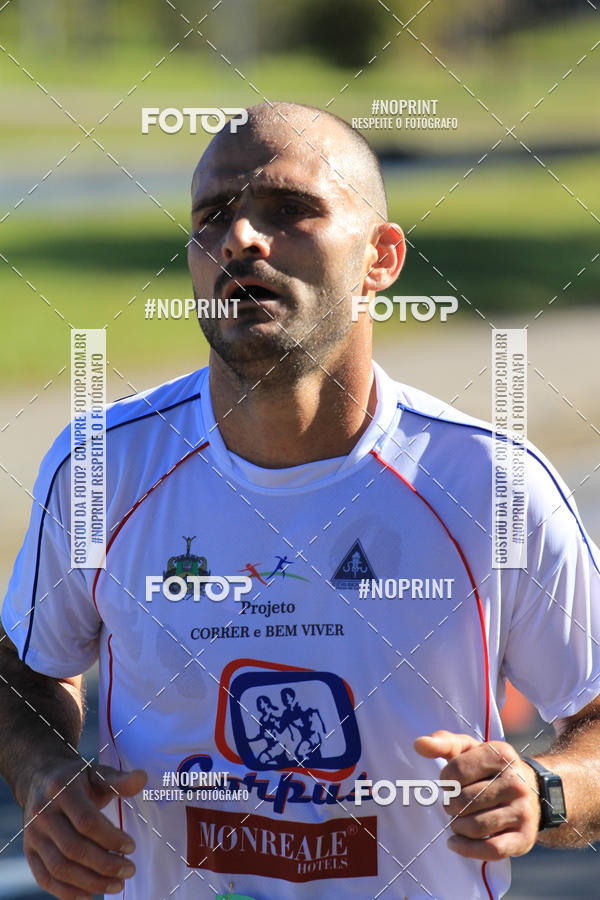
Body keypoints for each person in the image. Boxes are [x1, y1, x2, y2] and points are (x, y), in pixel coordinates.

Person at [1, 101, 599, 900]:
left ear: (381, 258)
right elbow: (25, 665)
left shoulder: (492, 484)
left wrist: (542, 789)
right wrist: (43, 772)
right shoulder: (101, 466)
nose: (241, 239)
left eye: (290, 210)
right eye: (214, 216)